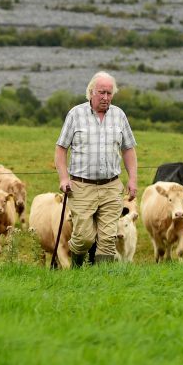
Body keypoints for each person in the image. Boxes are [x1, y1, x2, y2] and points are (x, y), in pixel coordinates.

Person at [54, 71, 138, 266]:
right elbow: (61, 149)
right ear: (91, 92)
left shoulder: (119, 115)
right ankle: (76, 269)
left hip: (111, 186)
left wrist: (133, 179)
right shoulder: (75, 114)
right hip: (82, 186)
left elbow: (128, 149)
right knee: (84, 238)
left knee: (108, 239)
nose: (105, 98)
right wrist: (64, 178)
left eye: (109, 93)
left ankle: (102, 278)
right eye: (102, 93)